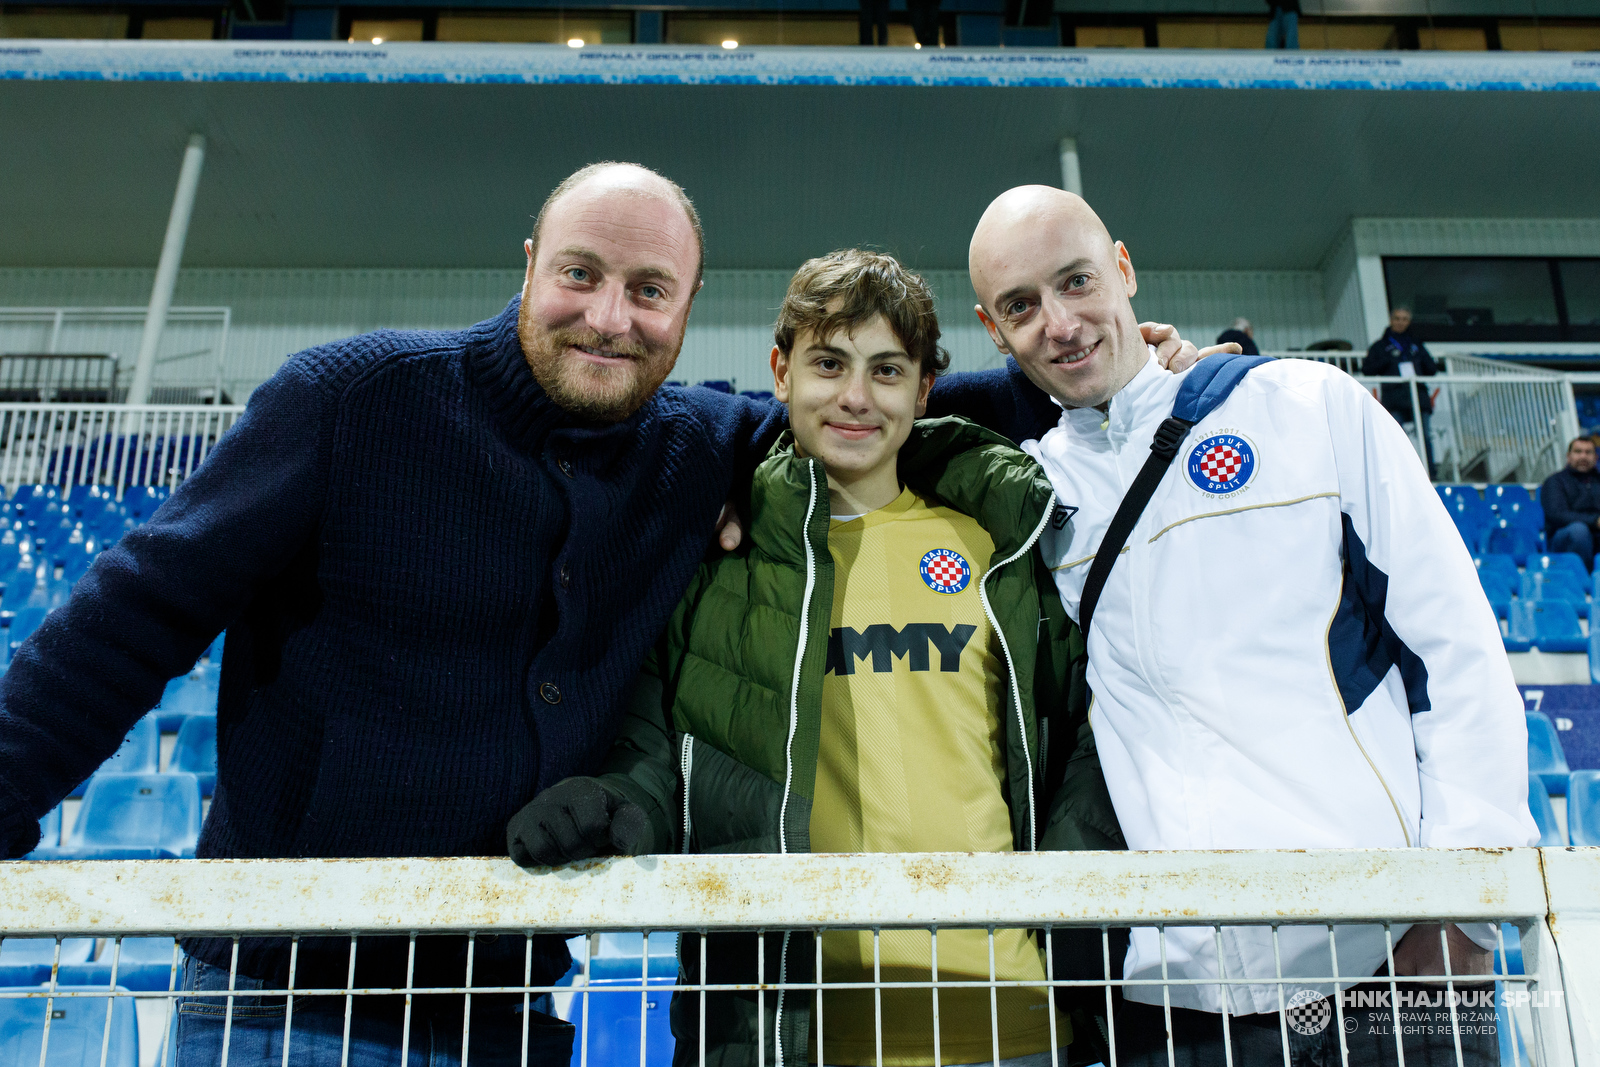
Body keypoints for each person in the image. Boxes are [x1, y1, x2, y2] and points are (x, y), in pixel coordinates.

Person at [0, 160, 1213, 1066]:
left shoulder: (691, 444)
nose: (610, 315)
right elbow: (130, 616)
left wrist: (1106, 358)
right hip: (284, 1003)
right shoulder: (351, 401)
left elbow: (874, 406)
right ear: (528, 262)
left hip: (511, 1008)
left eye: (650, 289)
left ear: (687, 310)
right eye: (581, 274)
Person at [505, 250, 1124, 1067]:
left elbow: (1079, 739)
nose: (857, 397)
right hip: (781, 1032)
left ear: (924, 390)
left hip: (1005, 1022)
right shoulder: (712, 560)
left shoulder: (999, 546)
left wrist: (1071, 902)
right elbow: (656, 759)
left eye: (888, 370)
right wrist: (605, 803)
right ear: (782, 371)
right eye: (829, 364)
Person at [966, 185, 1537, 1067]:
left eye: (1076, 281)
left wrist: (1465, 902)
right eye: (1021, 306)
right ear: (993, 330)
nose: (1061, 321)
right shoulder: (1040, 496)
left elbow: (1453, 644)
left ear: (1123, 269)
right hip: (1175, 992)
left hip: (1377, 952)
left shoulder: (1307, 407)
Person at [1363, 305, 1439, 476]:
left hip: (1418, 397)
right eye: (1397, 318)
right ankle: (1398, 474)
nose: (1400, 322)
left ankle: (1430, 473)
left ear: (1409, 322)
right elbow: (1367, 369)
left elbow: (1432, 369)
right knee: (1396, 437)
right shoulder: (1380, 346)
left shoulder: (1416, 344)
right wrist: (1389, 360)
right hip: (1394, 397)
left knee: (1425, 436)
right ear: (1391, 320)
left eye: (1404, 319)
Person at [1541, 436, 1600, 570]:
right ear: (1569, 456)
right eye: (1578, 452)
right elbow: (1557, 515)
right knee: (1579, 530)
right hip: (1564, 538)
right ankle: (1583, 580)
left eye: (1588, 452)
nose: (1583, 456)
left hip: (1596, 534)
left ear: (1596, 457)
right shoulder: (1555, 482)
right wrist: (1595, 521)